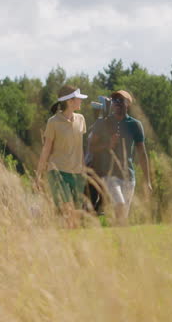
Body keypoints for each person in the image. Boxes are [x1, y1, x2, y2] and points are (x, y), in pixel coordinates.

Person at [85, 89, 151, 222]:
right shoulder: (102, 123)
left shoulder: (135, 125)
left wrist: (147, 180)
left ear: (128, 104)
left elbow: (142, 153)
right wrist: (107, 145)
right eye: (114, 100)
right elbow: (91, 147)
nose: (117, 103)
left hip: (129, 176)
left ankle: (118, 239)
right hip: (109, 175)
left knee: (122, 217)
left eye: (121, 100)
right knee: (119, 205)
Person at [36, 84, 89, 212]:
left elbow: (79, 147)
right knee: (67, 209)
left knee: (75, 213)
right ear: (70, 101)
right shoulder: (53, 122)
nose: (81, 100)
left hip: (77, 174)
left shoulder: (81, 119)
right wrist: (38, 175)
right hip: (57, 172)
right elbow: (46, 149)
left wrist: (84, 170)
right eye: (78, 98)